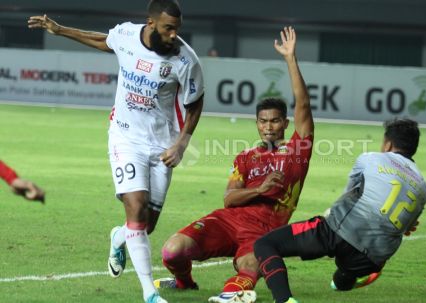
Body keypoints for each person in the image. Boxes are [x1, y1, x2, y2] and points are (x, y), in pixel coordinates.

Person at [27, 1, 204, 302]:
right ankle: (150, 293)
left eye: (177, 29)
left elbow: (195, 102)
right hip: (125, 136)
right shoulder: (125, 35)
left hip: (163, 144)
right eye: (168, 28)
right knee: (136, 206)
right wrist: (59, 30)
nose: (174, 35)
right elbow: (102, 40)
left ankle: (118, 236)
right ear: (151, 24)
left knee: (146, 225)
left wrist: (181, 143)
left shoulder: (186, 61)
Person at [153, 26, 314, 303]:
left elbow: (303, 105)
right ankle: (184, 282)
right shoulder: (245, 156)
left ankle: (232, 294)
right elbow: (229, 199)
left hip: (264, 231)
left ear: (286, 124)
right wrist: (260, 189)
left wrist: (290, 59)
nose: (268, 127)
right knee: (172, 250)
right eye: (263, 121)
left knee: (250, 266)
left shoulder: (298, 149)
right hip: (228, 221)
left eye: (275, 121)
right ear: (257, 124)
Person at [253, 118, 426, 303]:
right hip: (373, 257)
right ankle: (354, 276)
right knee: (343, 278)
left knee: (265, 244)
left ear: (388, 144)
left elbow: (349, 192)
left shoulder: (370, 158)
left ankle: (284, 300)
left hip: (338, 233)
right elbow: (408, 226)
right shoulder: (424, 188)